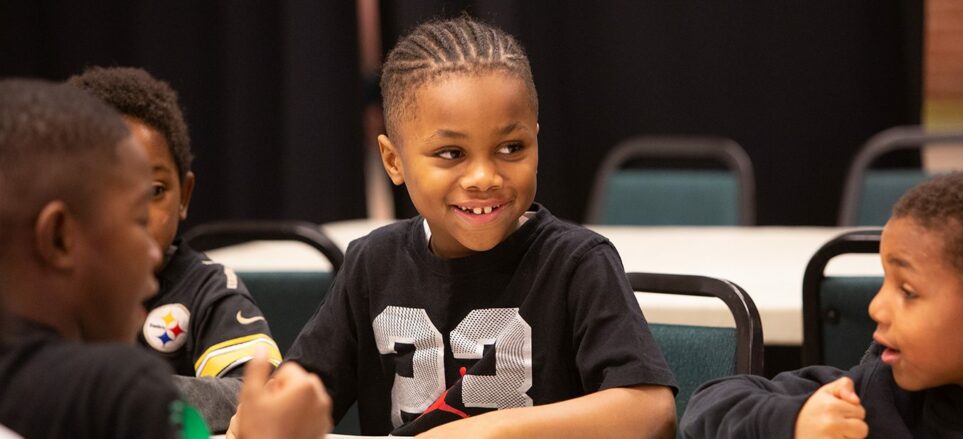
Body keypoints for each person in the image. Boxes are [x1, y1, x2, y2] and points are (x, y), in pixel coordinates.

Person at [258, 16, 678, 438]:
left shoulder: (576, 264)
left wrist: (488, 432)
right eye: (451, 153)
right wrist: (275, 408)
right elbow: (298, 393)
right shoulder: (373, 263)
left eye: (511, 148)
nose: (483, 177)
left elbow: (651, 410)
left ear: (536, 141)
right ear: (393, 160)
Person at [0, 79, 331, 439]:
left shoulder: (208, 287)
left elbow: (255, 383)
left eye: (157, 194)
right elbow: (264, 401)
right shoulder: (126, 395)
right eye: (137, 221)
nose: (151, 249)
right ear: (60, 238)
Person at [681, 169, 963, 438]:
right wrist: (795, 421)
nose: (875, 307)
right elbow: (708, 406)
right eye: (883, 281)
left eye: (908, 291)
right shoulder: (872, 396)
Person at [67, 67, 280, 430]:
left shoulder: (208, 289)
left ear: (186, 195)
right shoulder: (44, 284)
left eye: (155, 191)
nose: (135, 211)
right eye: (108, 188)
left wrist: (126, 393)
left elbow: (258, 393)